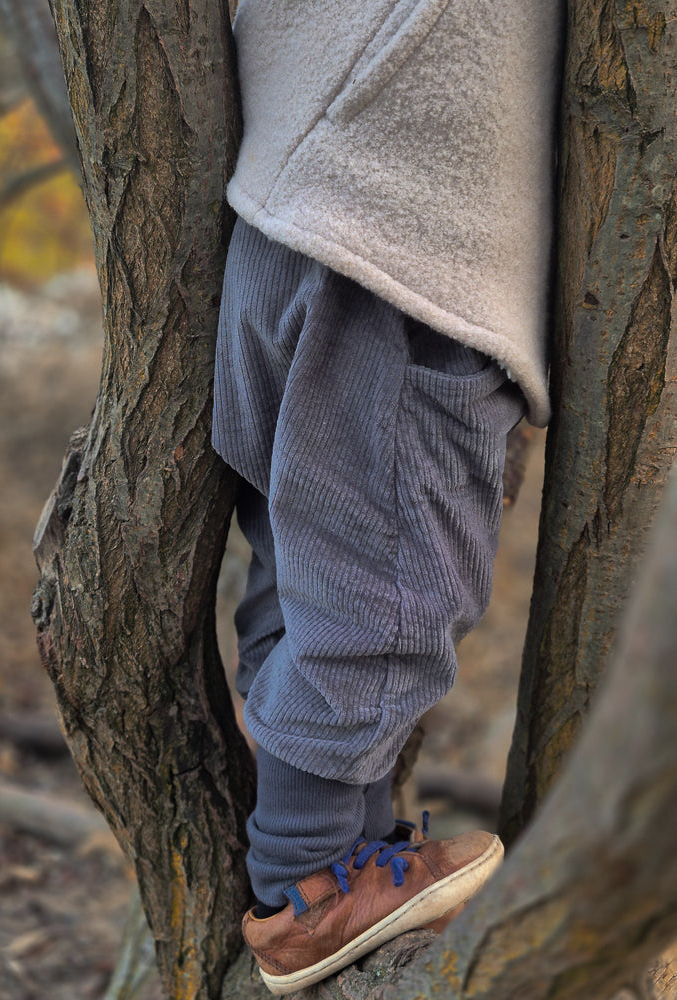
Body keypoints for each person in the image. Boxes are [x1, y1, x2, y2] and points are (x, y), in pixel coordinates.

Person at [212, 0, 565, 993]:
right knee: (387, 594)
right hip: (404, 229)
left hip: (295, 212)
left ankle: (353, 855)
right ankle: (308, 888)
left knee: (308, 573)